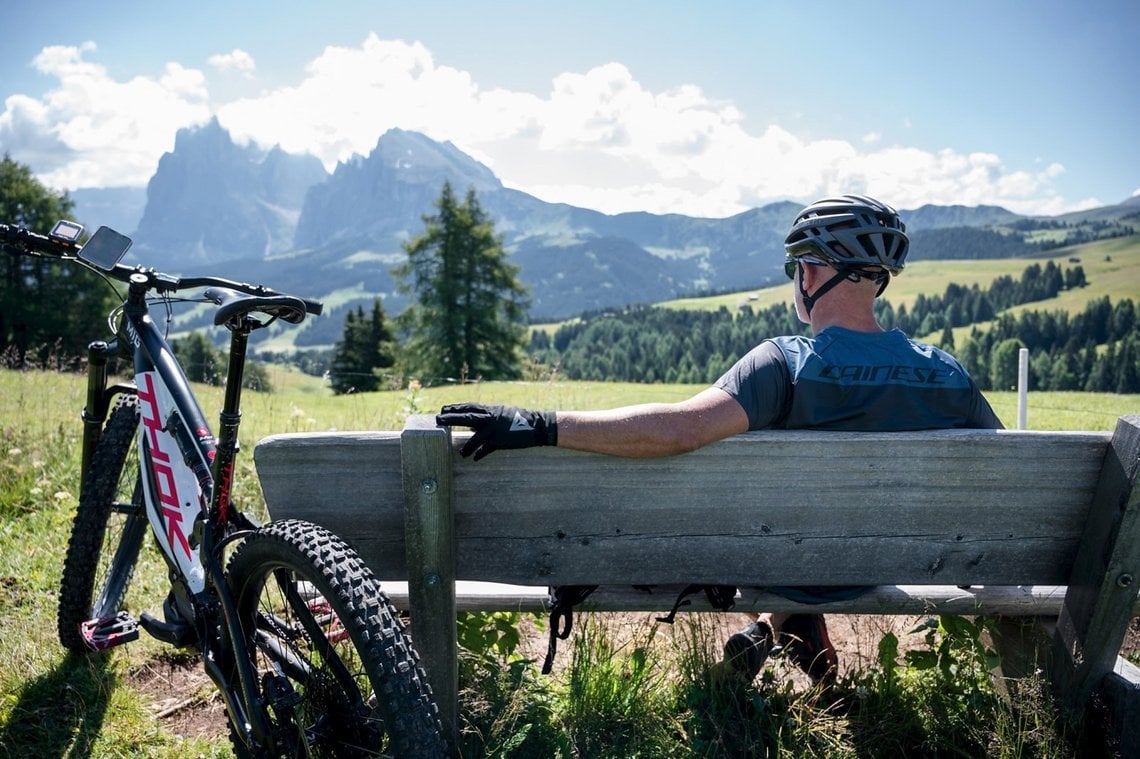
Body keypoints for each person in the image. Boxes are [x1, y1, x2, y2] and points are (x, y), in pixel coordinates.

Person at [437, 194, 1003, 688]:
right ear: (877, 278)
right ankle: (786, 636)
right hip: (874, 564)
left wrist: (540, 423)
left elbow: (680, 429)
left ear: (811, 275)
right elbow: (1006, 467)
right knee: (815, 554)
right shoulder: (947, 374)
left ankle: (769, 625)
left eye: (796, 269)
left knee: (789, 547)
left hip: (782, 562)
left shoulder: (785, 364)